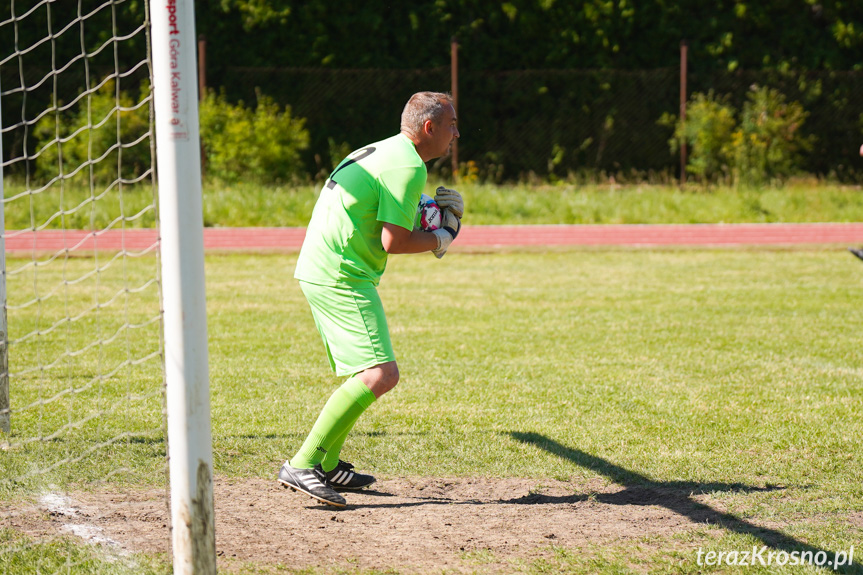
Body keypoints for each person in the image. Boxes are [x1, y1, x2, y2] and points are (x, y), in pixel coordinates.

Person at [278, 92, 464, 507]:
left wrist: (429, 210)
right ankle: (304, 464)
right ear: (429, 128)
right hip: (342, 274)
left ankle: (325, 462)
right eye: (451, 124)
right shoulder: (407, 166)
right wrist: (443, 236)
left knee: (366, 371)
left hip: (325, 266)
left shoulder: (388, 150)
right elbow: (393, 241)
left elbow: (379, 208)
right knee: (382, 374)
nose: (456, 132)